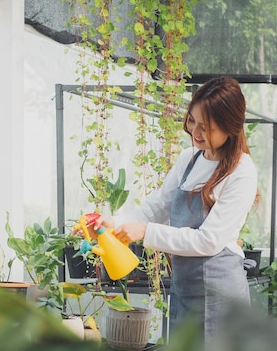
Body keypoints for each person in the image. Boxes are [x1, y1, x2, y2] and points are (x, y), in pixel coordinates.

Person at [88, 76, 259, 343]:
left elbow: (208, 241)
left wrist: (145, 232)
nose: (196, 133)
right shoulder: (188, 159)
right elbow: (158, 206)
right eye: (192, 121)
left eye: (207, 127)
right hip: (184, 289)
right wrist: (116, 223)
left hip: (221, 298)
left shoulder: (242, 171)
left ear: (231, 127)